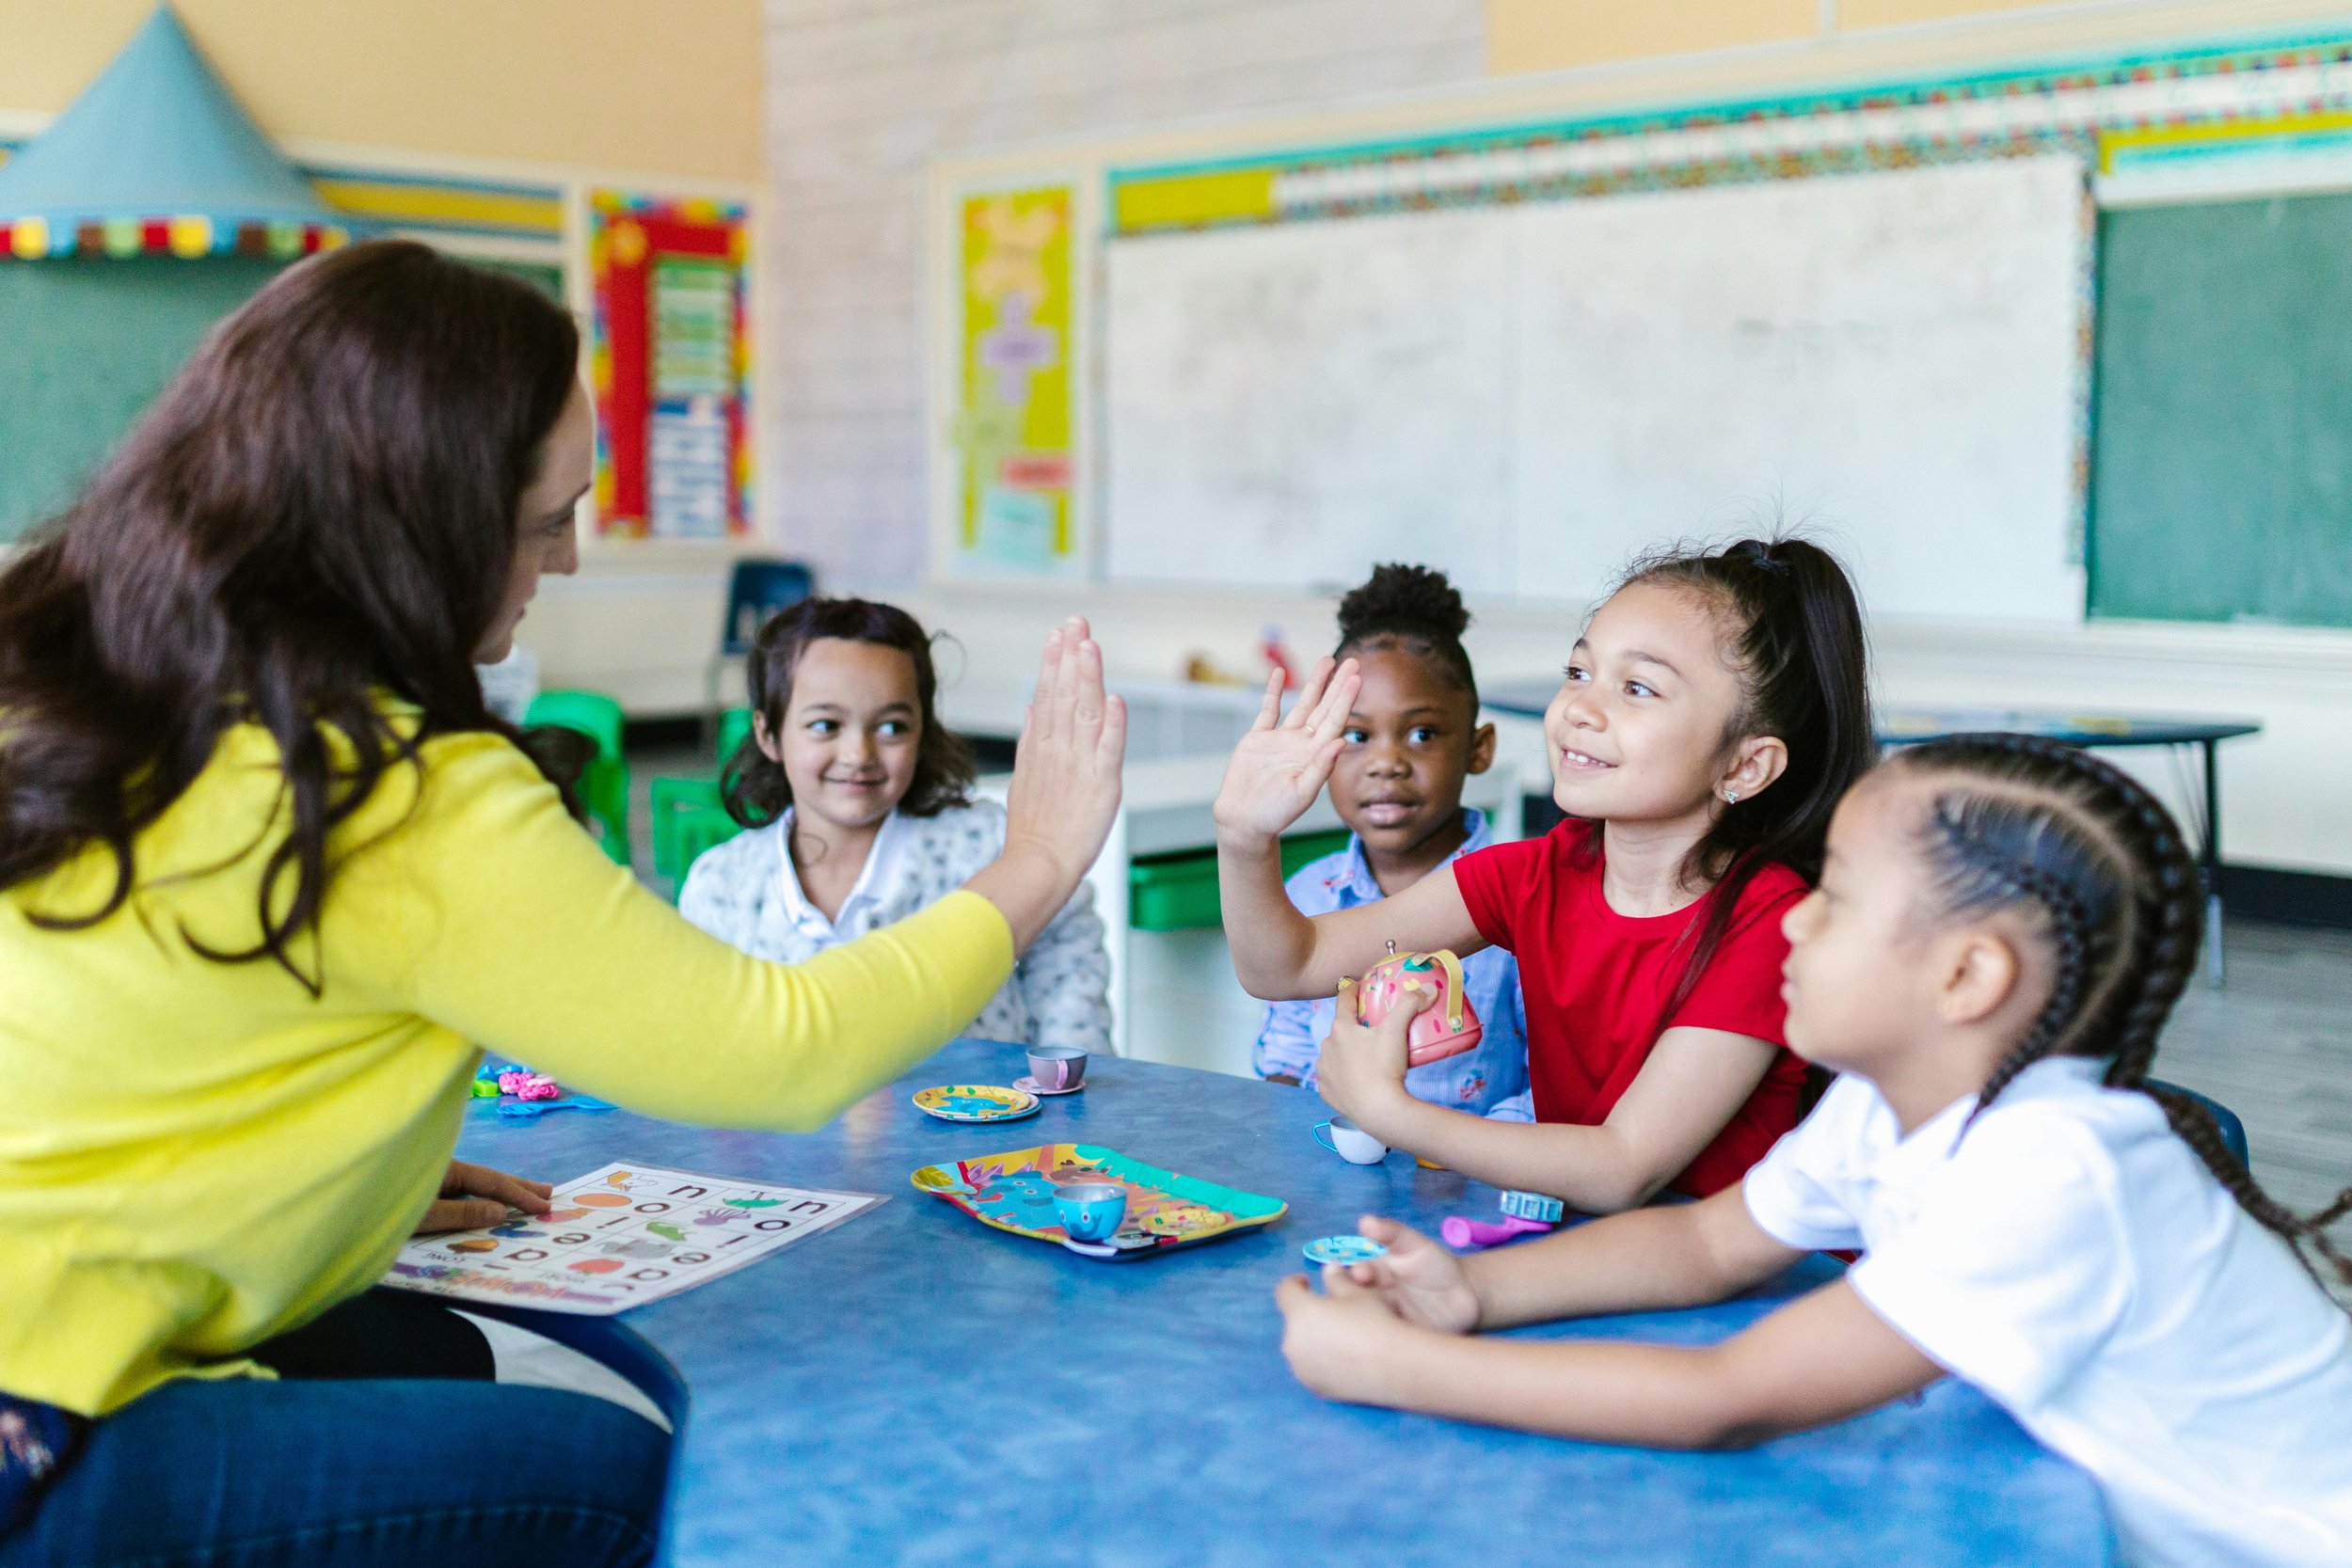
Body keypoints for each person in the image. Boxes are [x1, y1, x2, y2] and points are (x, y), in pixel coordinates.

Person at [0, 240, 1125, 1567]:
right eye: (546, 521)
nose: (573, 559)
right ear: (414, 518)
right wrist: (1040, 855)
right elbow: (777, 1046)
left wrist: (336, 1182)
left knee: (422, 1346)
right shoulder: (389, 781)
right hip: (36, 1423)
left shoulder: (105, 677)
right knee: (612, 1474)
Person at [1274, 736, 2352, 1568]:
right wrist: (1471, 1288)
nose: (1791, 922)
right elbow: (1706, 1242)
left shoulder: (2052, 1167)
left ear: (1966, 979)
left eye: (1834, 898)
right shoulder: (1886, 1109)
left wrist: (1404, 1366)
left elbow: (1728, 1396)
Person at [1217, 539, 1874, 1211]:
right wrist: (1245, 836)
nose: (1580, 709)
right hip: (1580, 1249)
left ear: (1744, 766)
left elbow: (1623, 1165)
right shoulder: (1536, 873)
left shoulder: (1771, 922)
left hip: (1726, 1292)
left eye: (1638, 687)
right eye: (1578, 671)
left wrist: (1393, 1112)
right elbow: (1288, 966)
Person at [681, 596, 1111, 1054]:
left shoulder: (994, 847)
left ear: (923, 730)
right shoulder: (722, 886)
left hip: (986, 1125)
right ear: (769, 735)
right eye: (825, 724)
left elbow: (1069, 963)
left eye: (891, 728)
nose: (858, 755)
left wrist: (1067, 1093)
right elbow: (705, 1047)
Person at [1249, 564, 1527, 1119]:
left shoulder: (1524, 907)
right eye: (1356, 735)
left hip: (1471, 1185)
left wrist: (1473, 1160)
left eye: (1422, 733)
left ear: (1479, 748)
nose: (1385, 763)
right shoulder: (1308, 893)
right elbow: (1286, 1051)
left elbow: (1553, 1088)